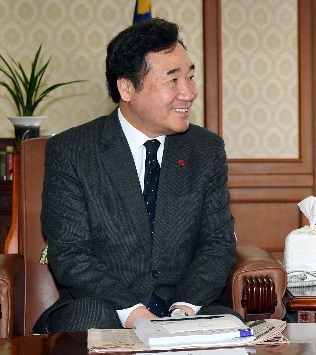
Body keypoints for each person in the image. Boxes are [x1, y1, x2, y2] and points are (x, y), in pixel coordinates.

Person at [34, 18, 237, 333]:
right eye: (173, 80)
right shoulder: (73, 150)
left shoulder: (205, 150)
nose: (189, 92)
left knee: (229, 327)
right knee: (86, 320)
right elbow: (71, 253)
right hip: (106, 307)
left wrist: (184, 310)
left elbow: (217, 242)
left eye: (191, 77)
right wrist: (135, 315)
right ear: (126, 87)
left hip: (182, 307)